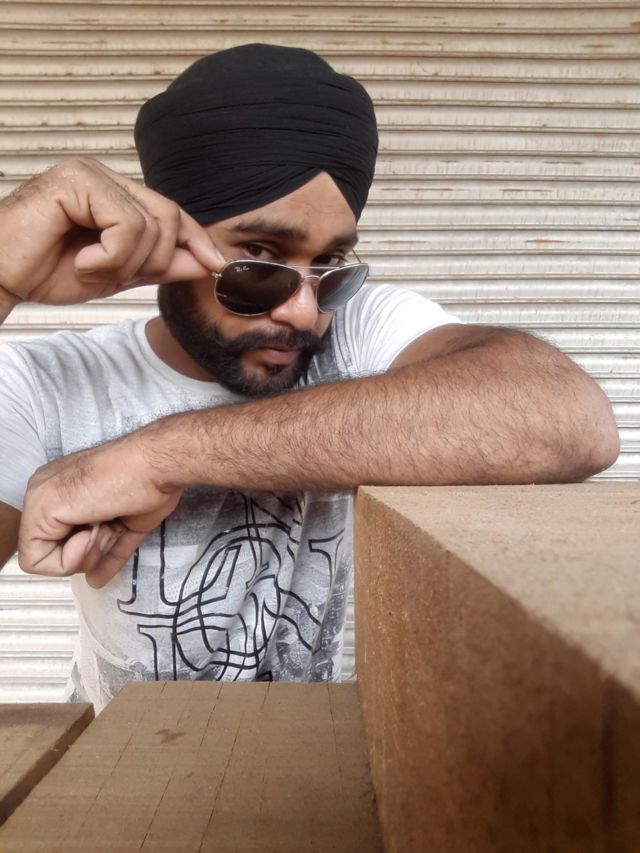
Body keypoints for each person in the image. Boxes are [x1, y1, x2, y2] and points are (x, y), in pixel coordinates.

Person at [0, 45, 619, 710]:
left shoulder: (356, 334)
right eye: (259, 260)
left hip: (306, 753)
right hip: (113, 757)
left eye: (331, 267)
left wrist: (159, 456)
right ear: (168, 238)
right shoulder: (47, 382)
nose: (303, 312)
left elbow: (567, 419)